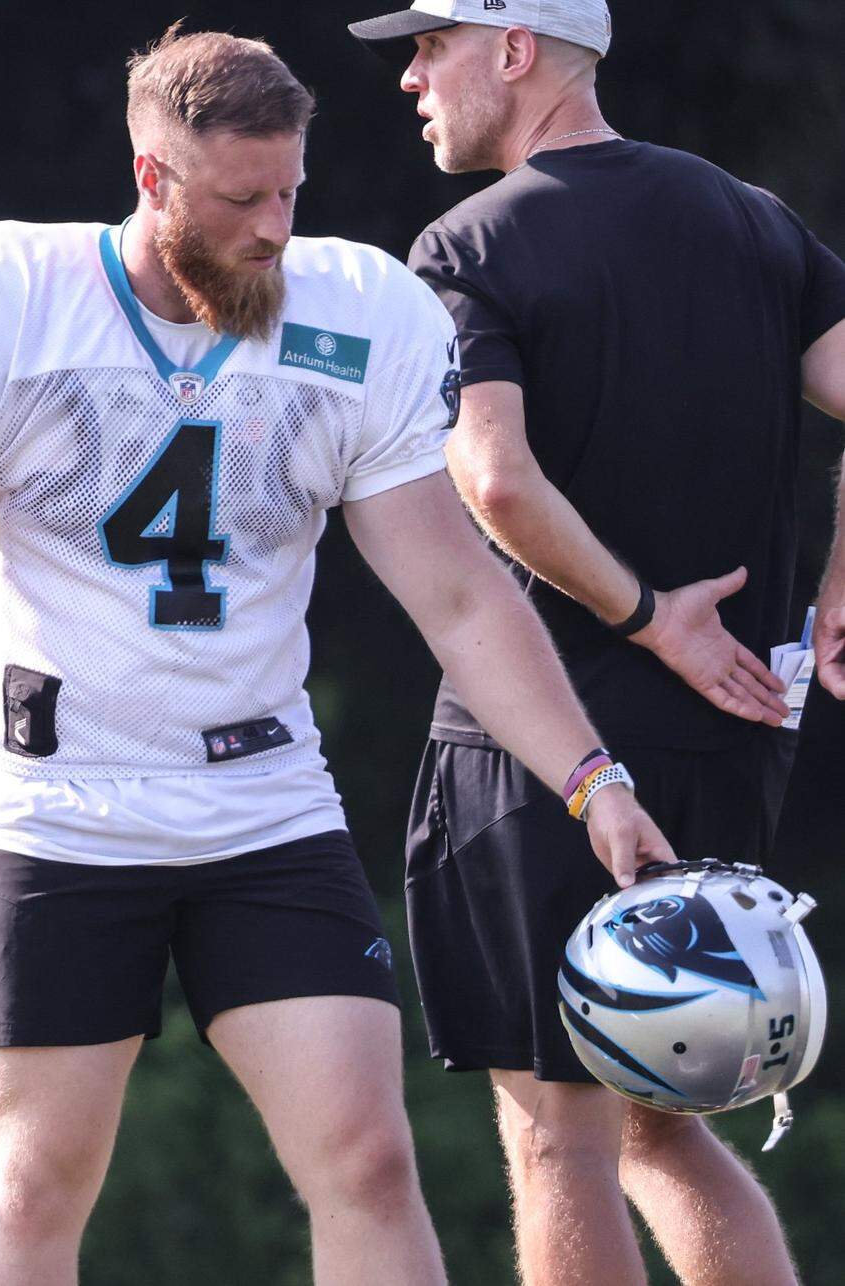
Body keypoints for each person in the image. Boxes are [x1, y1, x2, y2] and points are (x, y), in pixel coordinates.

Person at [0, 24, 673, 1286]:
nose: (274, 227)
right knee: (32, 1182)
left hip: (262, 802)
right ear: (153, 179)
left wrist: (595, 780)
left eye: (290, 191)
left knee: (369, 1159)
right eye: (242, 197)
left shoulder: (353, 312)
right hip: (64, 811)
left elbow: (460, 597)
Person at [348, 2, 845, 1284]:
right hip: (736, 735)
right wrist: (837, 586)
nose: (411, 77)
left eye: (431, 45)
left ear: (515, 52)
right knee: (663, 1130)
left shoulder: (467, 242)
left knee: (556, 1137)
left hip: (547, 746)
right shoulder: (754, 217)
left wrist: (644, 617)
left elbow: (495, 481)